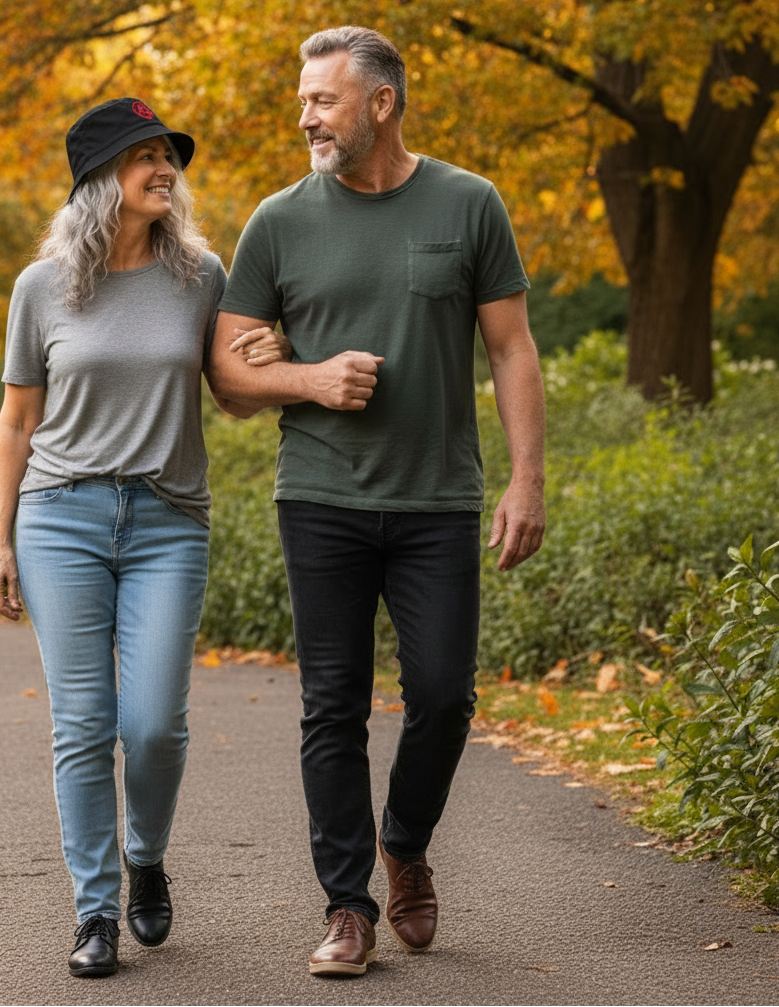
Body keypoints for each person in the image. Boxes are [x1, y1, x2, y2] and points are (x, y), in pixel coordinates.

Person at [208, 27, 546, 976]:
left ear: (382, 103)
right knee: (333, 706)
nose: (305, 115)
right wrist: (309, 381)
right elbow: (227, 372)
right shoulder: (277, 220)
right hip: (319, 495)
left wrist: (526, 480)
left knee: (442, 696)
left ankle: (404, 841)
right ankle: (347, 905)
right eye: (304, 99)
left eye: (322, 99)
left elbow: (511, 348)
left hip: (439, 495)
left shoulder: (469, 202)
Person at [0, 98, 288, 978]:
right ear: (96, 180)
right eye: (142, 156)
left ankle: (144, 854)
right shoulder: (40, 287)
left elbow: (229, 389)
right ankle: (94, 912)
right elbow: (16, 422)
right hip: (59, 517)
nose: (164, 170)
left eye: (167, 156)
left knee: (153, 725)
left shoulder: (201, 275)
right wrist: (0, 542)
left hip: (166, 520)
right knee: (84, 724)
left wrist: (265, 359)